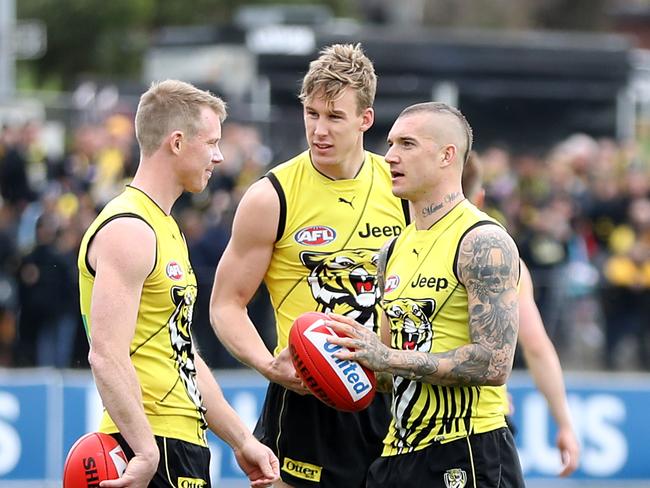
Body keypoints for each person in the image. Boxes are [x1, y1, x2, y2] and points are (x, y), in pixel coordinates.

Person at [209, 44, 409, 487]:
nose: (319, 129)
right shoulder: (271, 196)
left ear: (365, 119)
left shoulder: (403, 192)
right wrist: (268, 364)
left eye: (335, 116)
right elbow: (225, 304)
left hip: (389, 398)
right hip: (307, 396)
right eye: (311, 113)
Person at [77, 80, 279, 488]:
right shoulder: (130, 228)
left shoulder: (164, 226)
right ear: (177, 142)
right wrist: (146, 449)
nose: (219, 157)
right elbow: (105, 354)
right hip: (151, 445)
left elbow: (180, 351)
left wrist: (242, 440)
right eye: (212, 142)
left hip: (181, 443)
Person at [326, 102, 525, 487]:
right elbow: (386, 373)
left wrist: (388, 357)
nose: (390, 156)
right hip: (396, 453)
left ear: (447, 156)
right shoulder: (392, 250)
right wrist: (333, 356)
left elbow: (494, 363)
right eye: (390, 144)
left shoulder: (482, 241)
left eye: (407, 144)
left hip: (466, 449)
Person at [462, 151, 580, 476]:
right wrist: (565, 424)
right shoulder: (502, 262)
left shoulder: (396, 248)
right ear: (481, 197)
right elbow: (537, 346)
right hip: (478, 431)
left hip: (397, 427)